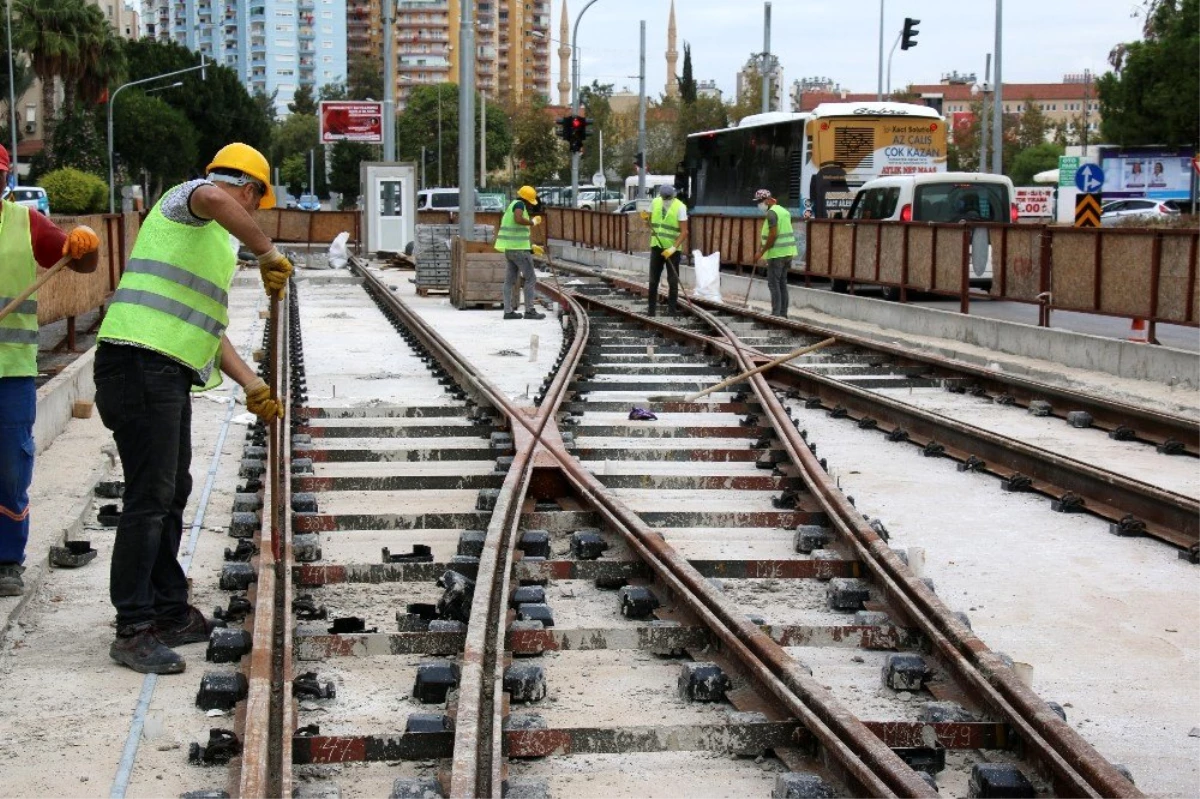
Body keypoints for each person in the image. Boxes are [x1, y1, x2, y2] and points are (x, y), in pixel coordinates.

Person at [94, 143, 292, 674]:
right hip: (135, 362)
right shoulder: (189, 199)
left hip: (163, 370)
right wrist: (267, 252)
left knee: (172, 490)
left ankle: (169, 610)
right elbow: (213, 196)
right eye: (255, 201)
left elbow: (210, 328)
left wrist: (252, 386)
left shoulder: (213, 246)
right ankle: (133, 628)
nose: (251, 213)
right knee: (149, 496)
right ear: (247, 189)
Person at [0, 144, 101, 597]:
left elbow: (80, 262)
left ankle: (5, 560)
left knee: (9, 467)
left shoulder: (24, 225)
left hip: (10, 372)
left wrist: (85, 243)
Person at [495, 185, 545, 321]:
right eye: (531, 202)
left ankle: (508, 311)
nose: (530, 206)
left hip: (511, 249)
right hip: (519, 251)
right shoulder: (519, 205)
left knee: (509, 281)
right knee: (531, 279)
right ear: (527, 200)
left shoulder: (511, 205)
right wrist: (532, 222)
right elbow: (518, 219)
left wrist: (531, 247)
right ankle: (529, 311)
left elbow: (516, 232)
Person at [750, 189, 797, 318]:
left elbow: (773, 235)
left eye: (760, 201)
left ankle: (776, 314)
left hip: (777, 254)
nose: (759, 204)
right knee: (782, 283)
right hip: (788, 252)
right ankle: (783, 314)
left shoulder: (771, 214)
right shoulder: (783, 211)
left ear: (767, 200)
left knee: (773, 283)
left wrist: (761, 252)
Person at [644, 184, 688, 316]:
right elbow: (649, 223)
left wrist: (673, 248)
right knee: (653, 280)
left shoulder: (680, 207)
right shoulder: (655, 202)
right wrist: (646, 219)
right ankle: (651, 311)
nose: (666, 200)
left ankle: (671, 311)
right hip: (657, 246)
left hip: (672, 250)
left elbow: (684, 232)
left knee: (672, 280)